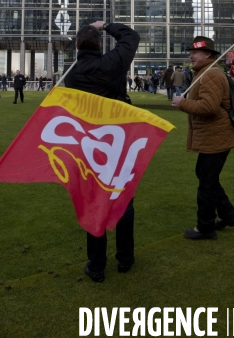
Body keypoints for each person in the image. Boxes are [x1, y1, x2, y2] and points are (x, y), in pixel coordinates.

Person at [64, 20, 140, 282]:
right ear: (99, 44)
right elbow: (130, 36)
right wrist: (106, 25)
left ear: (76, 47)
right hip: (117, 143)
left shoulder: (72, 75)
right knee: (123, 199)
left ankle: (96, 266)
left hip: (88, 147)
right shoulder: (112, 63)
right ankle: (125, 258)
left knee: (94, 202)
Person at [172, 36, 234, 240]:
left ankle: (205, 227)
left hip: (216, 137)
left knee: (207, 183)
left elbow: (208, 107)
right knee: (204, 175)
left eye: (195, 52)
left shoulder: (210, 75)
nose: (191, 56)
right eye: (190, 52)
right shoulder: (205, 73)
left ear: (208, 54)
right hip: (214, 136)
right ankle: (229, 215)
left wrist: (182, 103)